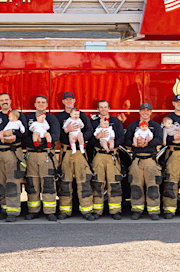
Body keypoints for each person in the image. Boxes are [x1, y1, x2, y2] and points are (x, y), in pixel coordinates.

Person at [55, 91, 95, 221]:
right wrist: (67, 132)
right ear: (63, 102)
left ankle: (87, 210)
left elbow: (89, 130)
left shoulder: (81, 115)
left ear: (74, 100)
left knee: (83, 181)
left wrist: (81, 138)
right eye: (66, 99)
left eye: (71, 99)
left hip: (79, 152)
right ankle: (65, 211)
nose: (68, 101)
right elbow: (57, 133)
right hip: (66, 151)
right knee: (65, 182)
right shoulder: (59, 116)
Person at [0, 93, 28, 222]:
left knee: (12, 182)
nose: (4, 102)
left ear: (10, 101)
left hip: (13, 153)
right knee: (0, 182)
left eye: (6, 100)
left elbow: (25, 132)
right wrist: (2, 139)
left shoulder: (18, 114)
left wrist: (14, 135)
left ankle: (13, 212)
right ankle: (4, 209)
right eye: (1, 100)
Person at [23, 95, 60, 221]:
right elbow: (24, 135)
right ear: (34, 104)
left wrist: (41, 140)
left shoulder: (51, 118)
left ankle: (50, 212)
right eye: (38, 102)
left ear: (46, 105)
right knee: (32, 184)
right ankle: (33, 211)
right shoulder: (28, 118)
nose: (40, 104)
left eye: (43, 102)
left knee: (48, 183)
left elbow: (55, 135)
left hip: (46, 155)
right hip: (31, 155)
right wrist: (34, 140)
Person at [124, 103, 163, 221]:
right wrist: (136, 143)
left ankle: (154, 211)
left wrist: (147, 142)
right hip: (137, 160)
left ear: (150, 112)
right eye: (143, 110)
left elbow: (159, 139)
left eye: (147, 110)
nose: (145, 112)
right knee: (136, 186)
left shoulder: (155, 126)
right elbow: (126, 140)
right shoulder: (133, 126)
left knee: (153, 186)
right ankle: (137, 210)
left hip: (150, 159)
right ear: (140, 112)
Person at [90, 100, 125, 220]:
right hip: (98, 156)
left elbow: (121, 137)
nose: (103, 109)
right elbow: (89, 140)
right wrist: (97, 138)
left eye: (105, 107)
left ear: (109, 108)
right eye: (101, 107)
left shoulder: (115, 122)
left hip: (112, 156)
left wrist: (112, 144)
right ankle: (97, 211)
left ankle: (115, 211)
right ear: (98, 109)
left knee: (114, 183)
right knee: (97, 184)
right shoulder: (94, 123)